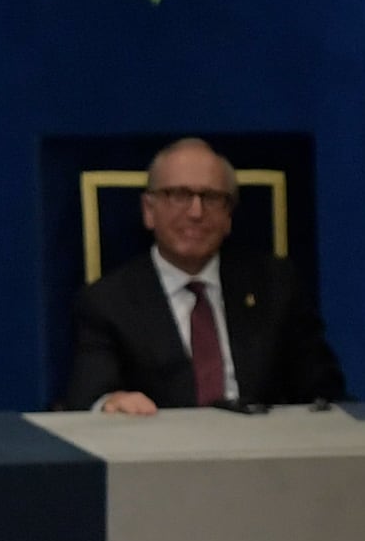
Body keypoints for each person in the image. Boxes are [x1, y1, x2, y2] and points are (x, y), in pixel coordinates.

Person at [65, 138, 345, 413]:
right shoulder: (107, 301)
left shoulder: (277, 285)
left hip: (263, 447)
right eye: (179, 195)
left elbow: (325, 392)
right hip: (161, 449)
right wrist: (112, 404)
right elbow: (90, 395)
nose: (196, 212)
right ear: (149, 211)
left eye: (211, 198)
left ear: (228, 216)